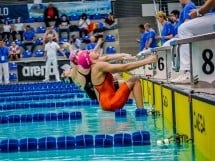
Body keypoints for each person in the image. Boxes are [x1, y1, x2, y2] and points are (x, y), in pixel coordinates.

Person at [89, 49, 157, 111]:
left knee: (122, 81)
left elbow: (107, 58)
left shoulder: (94, 66)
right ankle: (141, 110)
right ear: (89, 59)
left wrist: (124, 56)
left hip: (105, 104)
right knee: (135, 80)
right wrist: (148, 60)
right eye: (89, 52)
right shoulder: (99, 66)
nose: (92, 50)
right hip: (111, 103)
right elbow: (124, 68)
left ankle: (133, 101)